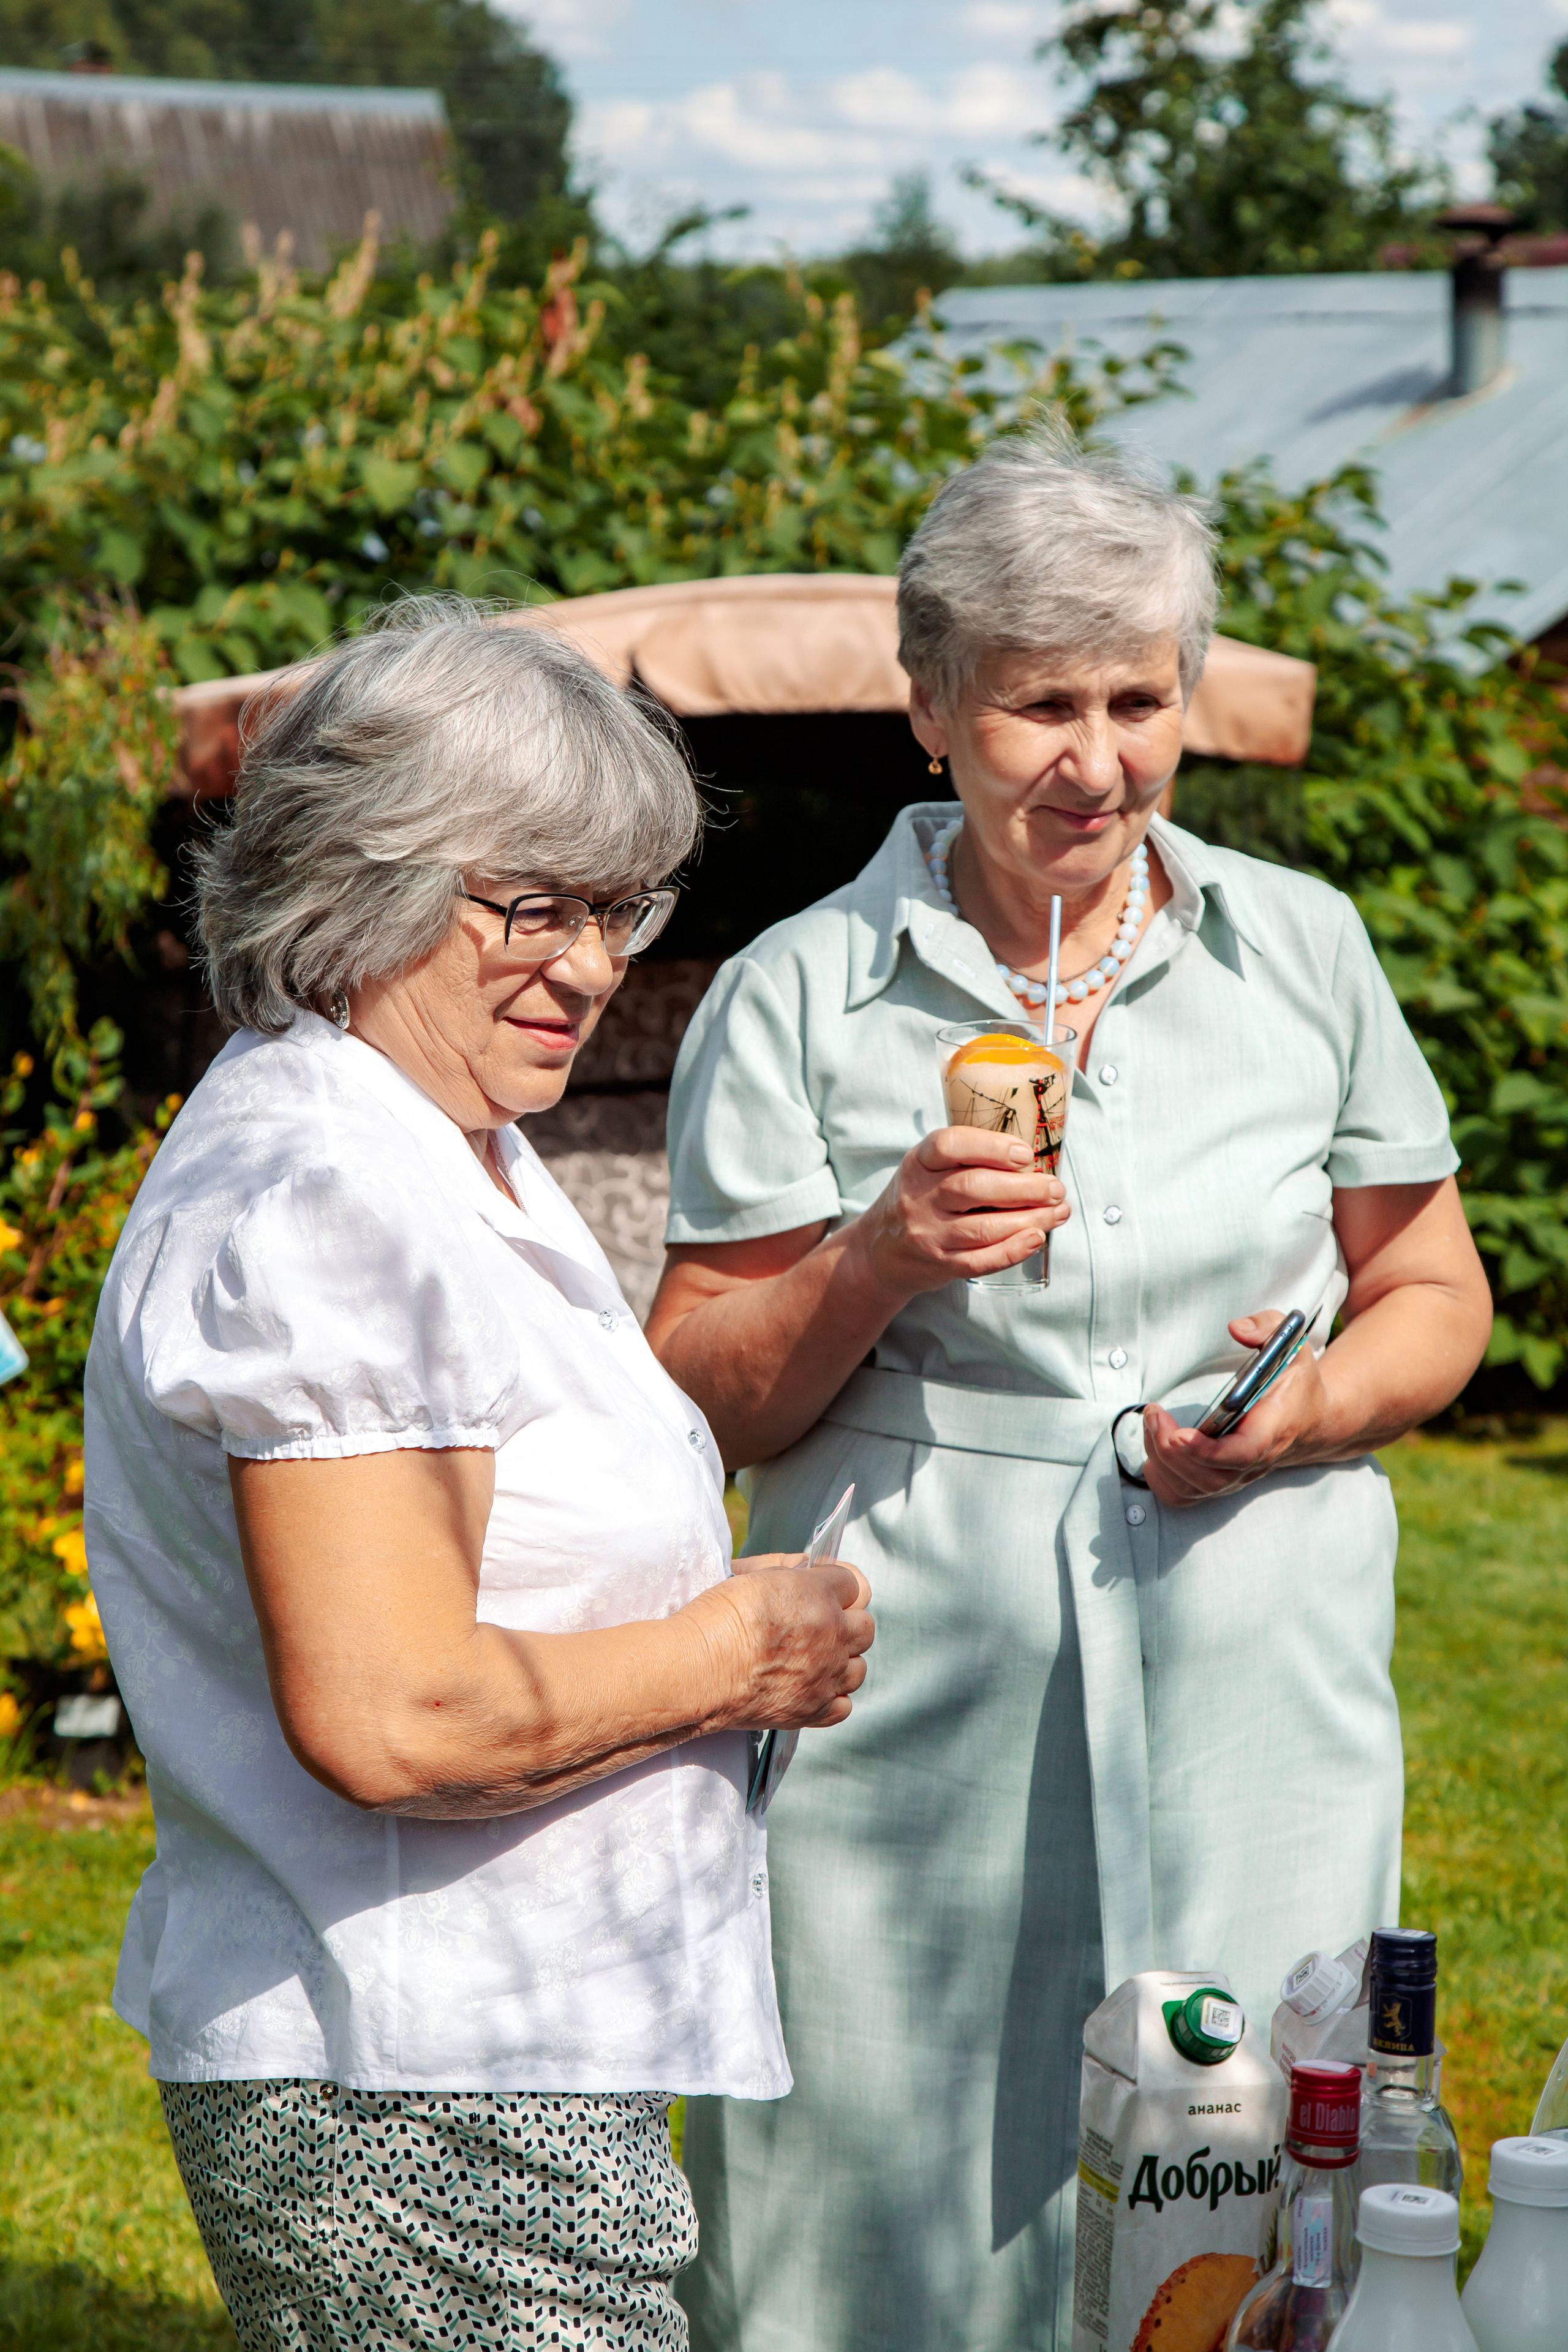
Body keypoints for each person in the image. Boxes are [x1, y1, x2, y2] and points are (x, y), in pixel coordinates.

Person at [647, 426, 1493, 2352]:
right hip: (920, 1654)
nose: (1097, 759)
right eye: (1041, 704)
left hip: (1250, 1634)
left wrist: (1317, 1408)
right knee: (889, 2140)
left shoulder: (1306, 952)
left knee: (1260, 2129)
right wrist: (876, 1256)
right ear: (931, 708)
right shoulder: (795, 990)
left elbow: (1436, 1287)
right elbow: (702, 1387)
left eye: (1139, 697)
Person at [83, 597, 873, 2352]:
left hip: (481, 2049)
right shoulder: (337, 1203)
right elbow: (400, 1714)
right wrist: (741, 1655)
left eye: (620, 908)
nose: (593, 965)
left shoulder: (438, 1140)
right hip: (418, 2076)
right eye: (537, 905)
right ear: (361, 877)